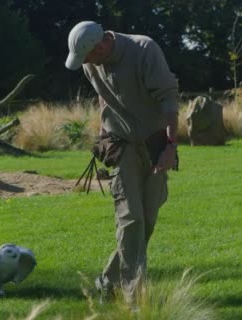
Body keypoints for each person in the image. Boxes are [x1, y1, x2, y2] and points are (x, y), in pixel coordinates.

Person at [64, 21, 179, 305]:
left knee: (147, 222)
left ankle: (108, 279)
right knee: (131, 219)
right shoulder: (91, 63)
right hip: (122, 145)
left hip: (155, 142)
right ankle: (134, 298)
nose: (86, 63)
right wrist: (105, 133)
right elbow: (104, 96)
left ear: (102, 43)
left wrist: (170, 147)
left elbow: (169, 101)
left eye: (88, 56)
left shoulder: (144, 50)